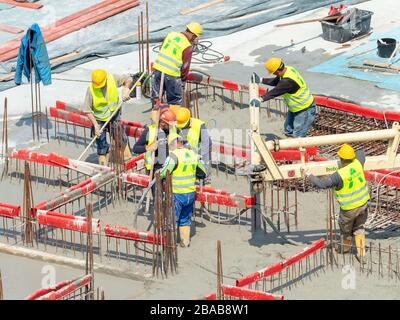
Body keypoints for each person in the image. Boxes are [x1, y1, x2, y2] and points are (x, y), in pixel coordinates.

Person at [303, 144, 370, 258]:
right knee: (359, 228)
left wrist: (309, 175)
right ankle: (362, 253)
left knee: (346, 231)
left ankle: (344, 250)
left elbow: (321, 184)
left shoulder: (338, 175)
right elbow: (361, 152)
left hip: (349, 210)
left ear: (341, 159)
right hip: (363, 205)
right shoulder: (358, 163)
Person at [159, 133, 207, 247]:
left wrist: (159, 175)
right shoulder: (192, 154)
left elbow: (164, 172)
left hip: (177, 194)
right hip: (190, 194)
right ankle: (185, 242)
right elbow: (202, 173)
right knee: (185, 219)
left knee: (172, 219)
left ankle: (170, 244)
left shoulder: (173, 156)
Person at [250, 58, 316, 138]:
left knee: (298, 134)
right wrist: (261, 80)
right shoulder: (288, 69)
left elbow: (275, 91)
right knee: (288, 129)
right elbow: (276, 81)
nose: (274, 75)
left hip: (305, 109)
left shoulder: (287, 81)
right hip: (296, 108)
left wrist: (260, 99)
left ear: (277, 71)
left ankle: (297, 148)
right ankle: (289, 142)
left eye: (274, 73)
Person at [85, 69, 133, 165]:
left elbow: (128, 79)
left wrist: (126, 89)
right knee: (101, 144)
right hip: (99, 120)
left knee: (120, 138)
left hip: (114, 115)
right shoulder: (91, 90)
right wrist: (95, 125)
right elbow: (87, 110)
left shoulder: (111, 78)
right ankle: (103, 166)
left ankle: (127, 160)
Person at [152, 22, 203, 106]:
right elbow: (185, 67)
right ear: (193, 35)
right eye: (196, 37)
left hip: (158, 68)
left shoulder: (171, 34)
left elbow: (161, 47)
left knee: (157, 96)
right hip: (171, 74)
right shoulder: (187, 47)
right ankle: (172, 117)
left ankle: (157, 115)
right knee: (174, 101)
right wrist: (183, 80)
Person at [172, 107, 212, 183]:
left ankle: (206, 184)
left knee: (205, 174)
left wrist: (201, 157)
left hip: (199, 154)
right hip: (185, 156)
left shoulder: (199, 125)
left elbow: (206, 144)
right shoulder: (176, 125)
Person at [132, 108, 177, 173]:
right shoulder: (149, 131)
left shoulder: (173, 129)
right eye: (169, 124)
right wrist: (148, 147)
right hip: (155, 169)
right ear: (162, 123)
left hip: (170, 165)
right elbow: (135, 149)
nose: (171, 126)